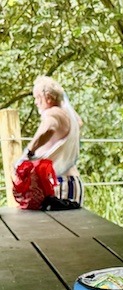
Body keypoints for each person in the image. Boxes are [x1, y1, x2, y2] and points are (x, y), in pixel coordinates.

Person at [23, 76, 83, 209]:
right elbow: (79, 123)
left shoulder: (52, 113)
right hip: (71, 182)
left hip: (61, 184)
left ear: (48, 98)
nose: (36, 102)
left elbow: (49, 128)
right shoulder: (67, 115)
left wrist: (30, 151)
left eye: (37, 97)